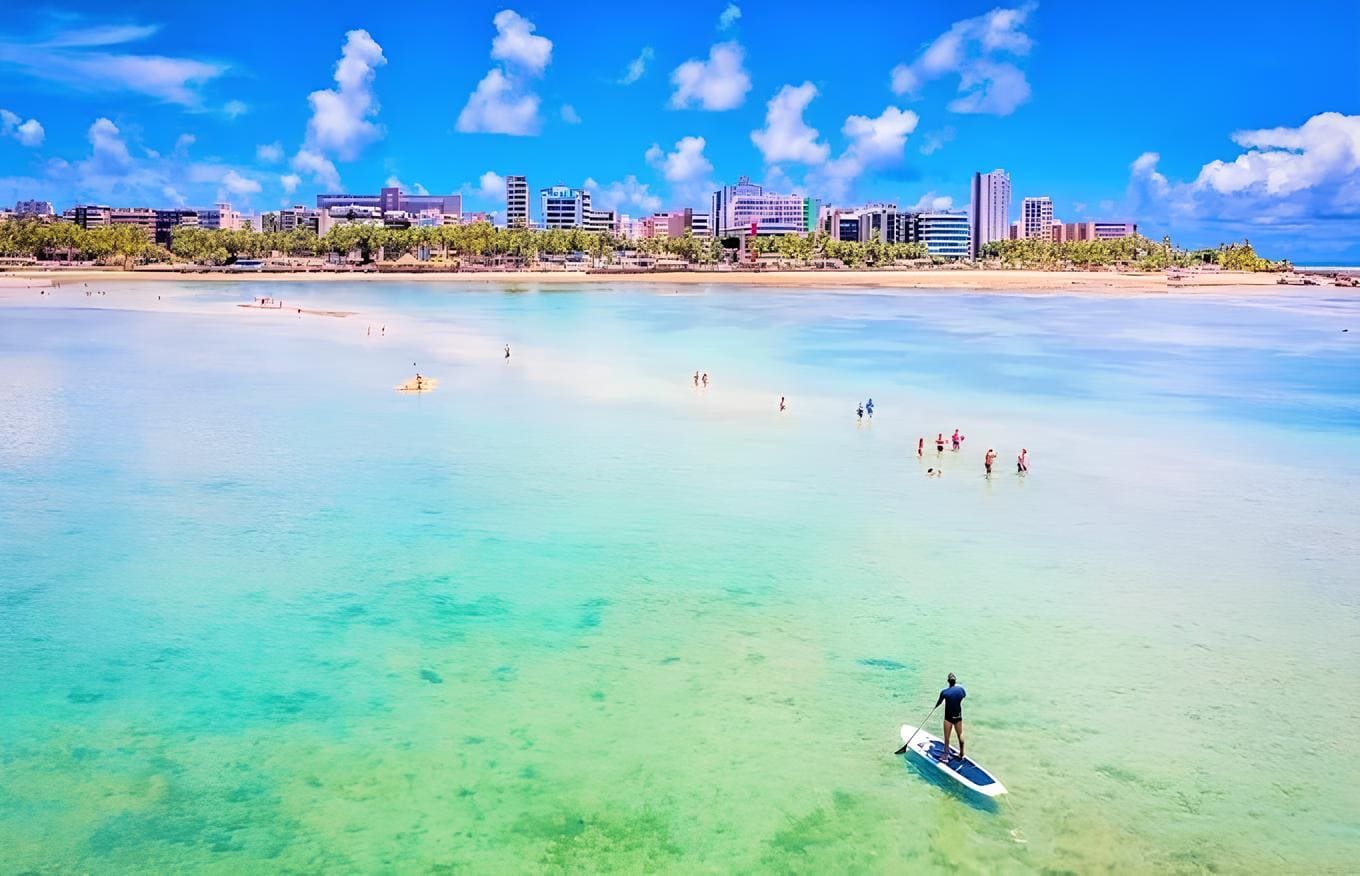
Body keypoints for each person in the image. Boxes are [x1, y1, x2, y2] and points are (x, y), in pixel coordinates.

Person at [936, 673, 967, 761]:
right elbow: (963, 696)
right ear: (955, 681)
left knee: (947, 737)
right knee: (960, 734)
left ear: (948, 681)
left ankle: (945, 756)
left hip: (948, 717)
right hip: (958, 716)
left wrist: (935, 706)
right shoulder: (961, 690)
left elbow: (939, 702)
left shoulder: (944, 692)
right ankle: (961, 754)